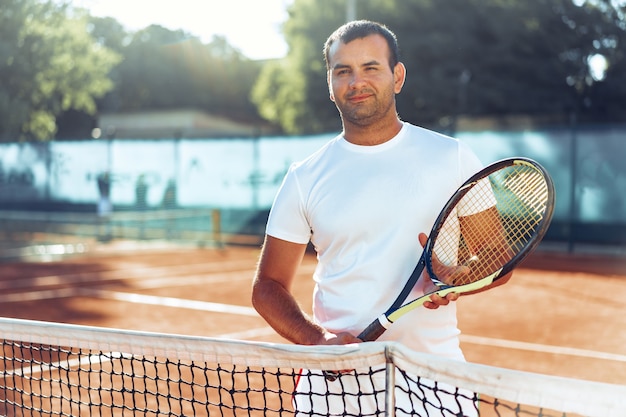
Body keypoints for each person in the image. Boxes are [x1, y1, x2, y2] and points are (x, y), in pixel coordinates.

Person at [251, 20, 512, 416]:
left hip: (435, 386)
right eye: (343, 71)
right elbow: (267, 286)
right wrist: (317, 339)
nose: (357, 81)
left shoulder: (452, 157)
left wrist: (465, 275)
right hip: (335, 389)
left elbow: (498, 255)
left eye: (371, 67)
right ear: (330, 83)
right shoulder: (304, 177)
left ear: (398, 76)